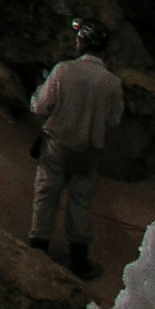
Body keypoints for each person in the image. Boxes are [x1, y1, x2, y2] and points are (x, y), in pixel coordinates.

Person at [28, 18, 124, 277]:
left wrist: (41, 86)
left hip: (57, 146)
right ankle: (79, 260)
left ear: (82, 42)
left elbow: (39, 106)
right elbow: (114, 119)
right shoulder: (112, 82)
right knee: (80, 203)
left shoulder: (63, 70)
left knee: (46, 195)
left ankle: (37, 250)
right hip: (88, 153)